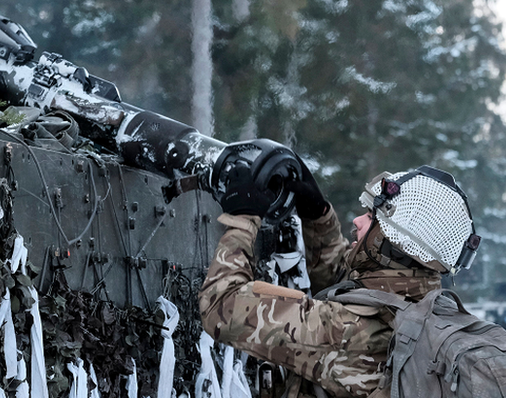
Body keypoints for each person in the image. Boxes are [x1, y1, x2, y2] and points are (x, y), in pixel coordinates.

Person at [200, 163, 480, 398]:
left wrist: (243, 220)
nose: (358, 220)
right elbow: (345, 286)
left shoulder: (346, 330)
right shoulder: (424, 306)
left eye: (372, 217)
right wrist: (318, 217)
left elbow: (221, 306)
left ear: (394, 243)